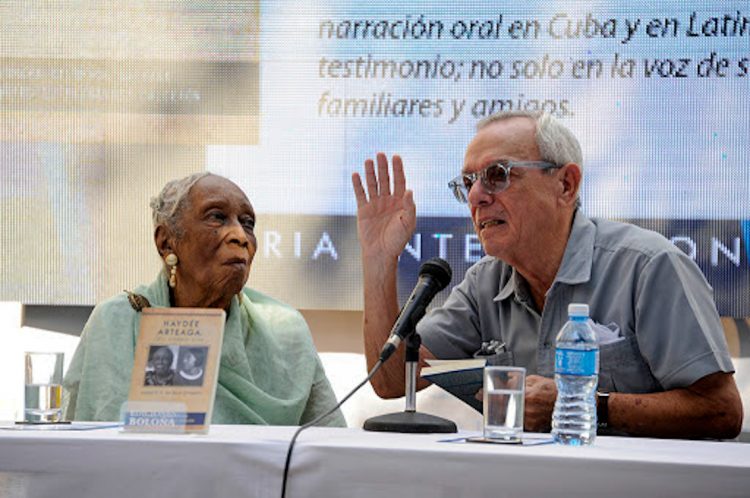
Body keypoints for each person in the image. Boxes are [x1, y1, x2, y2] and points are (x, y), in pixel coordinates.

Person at [351, 110, 743, 439]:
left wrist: (586, 405)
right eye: (468, 183)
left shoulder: (648, 266)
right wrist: (379, 258)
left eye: (497, 175)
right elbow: (390, 383)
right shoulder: (484, 284)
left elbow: (721, 411)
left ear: (566, 184)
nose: (475, 196)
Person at [63, 172, 345, 427]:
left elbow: (332, 450)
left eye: (248, 223)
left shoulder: (285, 331)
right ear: (166, 242)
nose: (239, 236)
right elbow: (82, 449)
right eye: (217, 217)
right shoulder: (117, 322)